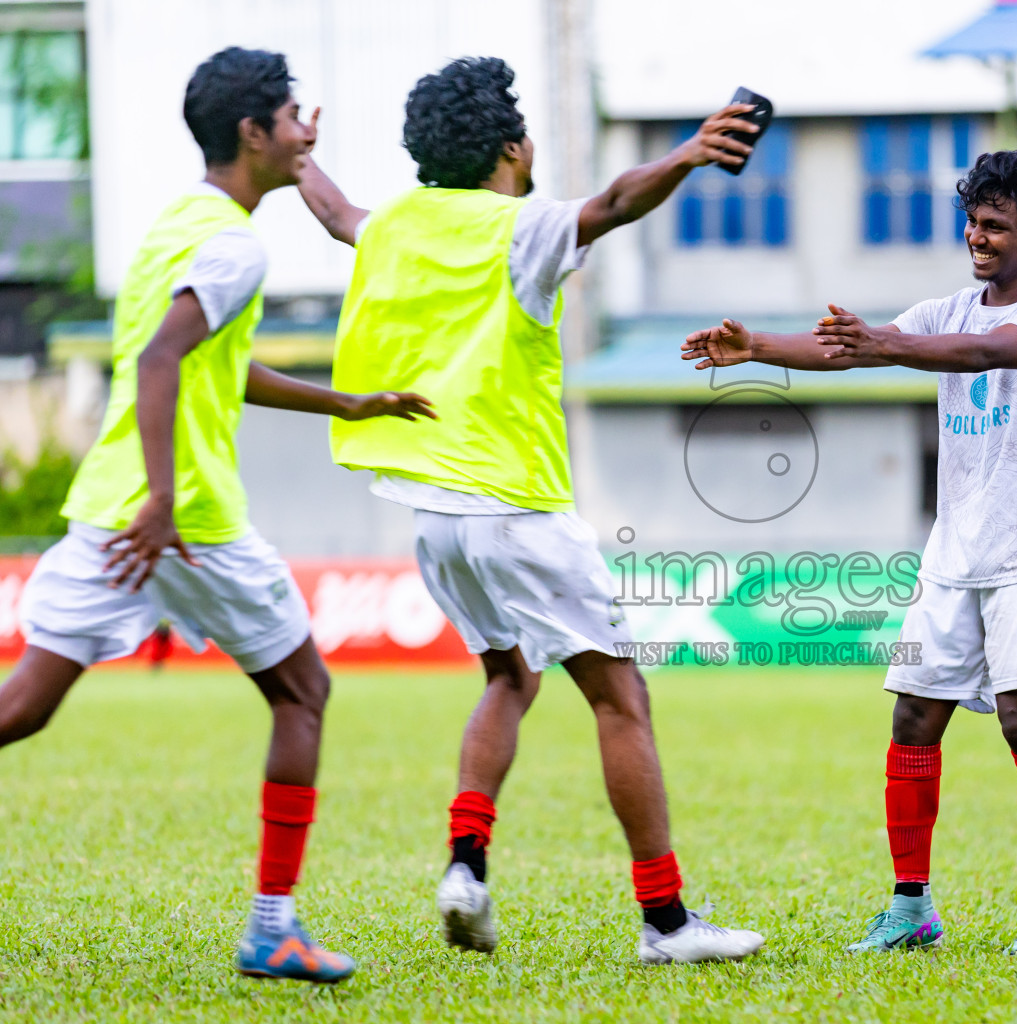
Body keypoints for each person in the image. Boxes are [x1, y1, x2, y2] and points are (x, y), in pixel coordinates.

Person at [296, 56, 764, 965]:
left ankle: (465, 867)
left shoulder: (395, 224)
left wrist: (300, 159)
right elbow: (616, 202)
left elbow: (334, 211)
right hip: (516, 507)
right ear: (514, 144)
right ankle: (666, 924)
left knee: (510, 678)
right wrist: (687, 157)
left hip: (428, 514)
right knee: (621, 697)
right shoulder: (524, 226)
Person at [0, 47, 434, 984]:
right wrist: (165, 498)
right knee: (303, 693)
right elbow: (163, 363)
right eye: (292, 118)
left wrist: (344, 404)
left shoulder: (178, 226)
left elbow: (205, 362)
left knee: (21, 709)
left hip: (111, 513)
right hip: (184, 518)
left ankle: (276, 926)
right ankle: (273, 928)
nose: (307, 131)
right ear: (253, 133)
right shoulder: (238, 243)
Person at [682, 147, 1017, 955]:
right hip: (953, 553)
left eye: (996, 226)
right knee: (912, 716)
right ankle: (912, 909)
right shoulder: (947, 309)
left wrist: (885, 346)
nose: (977, 236)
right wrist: (759, 346)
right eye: (972, 221)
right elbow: (851, 348)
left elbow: (981, 354)